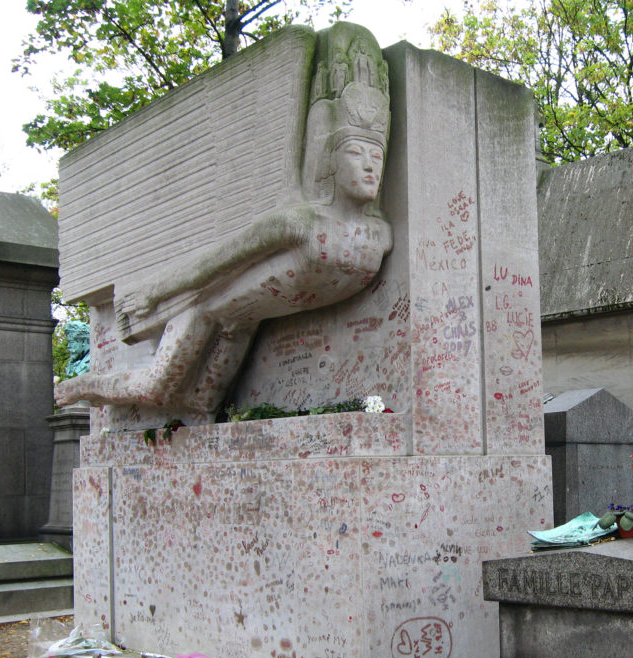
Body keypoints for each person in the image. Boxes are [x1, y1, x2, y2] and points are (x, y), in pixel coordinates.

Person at [55, 24, 391, 419]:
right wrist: (154, 294)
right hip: (200, 309)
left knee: (199, 410)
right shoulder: (301, 223)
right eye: (356, 152)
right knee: (157, 389)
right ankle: (83, 386)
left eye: (377, 155)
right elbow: (218, 262)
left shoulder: (380, 236)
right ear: (329, 160)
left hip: (239, 326)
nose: (371, 166)